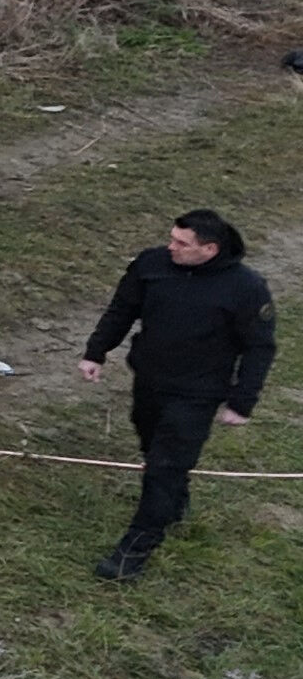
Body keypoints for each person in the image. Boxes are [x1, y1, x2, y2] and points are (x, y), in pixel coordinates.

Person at [78, 208, 274, 579]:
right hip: (150, 380)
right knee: (152, 445)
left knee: (164, 467)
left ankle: (133, 552)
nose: (171, 247)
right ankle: (173, 501)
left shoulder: (246, 288)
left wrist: (242, 401)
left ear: (210, 249)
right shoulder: (152, 265)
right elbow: (123, 309)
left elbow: (259, 347)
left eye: (181, 243)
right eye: (171, 238)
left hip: (197, 393)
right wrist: (95, 352)